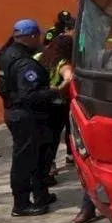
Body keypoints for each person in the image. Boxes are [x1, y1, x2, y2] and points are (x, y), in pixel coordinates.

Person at [0, 19, 62, 217]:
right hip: (25, 116)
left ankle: (40, 194)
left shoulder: (7, 53)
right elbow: (30, 95)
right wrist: (54, 91)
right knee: (24, 161)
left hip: (16, 112)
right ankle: (21, 204)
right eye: (38, 36)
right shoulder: (24, 62)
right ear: (31, 36)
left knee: (37, 157)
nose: (40, 39)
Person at [35, 33, 74, 181]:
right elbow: (69, 77)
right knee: (53, 138)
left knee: (42, 137)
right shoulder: (63, 62)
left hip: (39, 102)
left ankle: (43, 167)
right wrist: (58, 90)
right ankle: (49, 168)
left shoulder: (38, 56)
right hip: (56, 105)